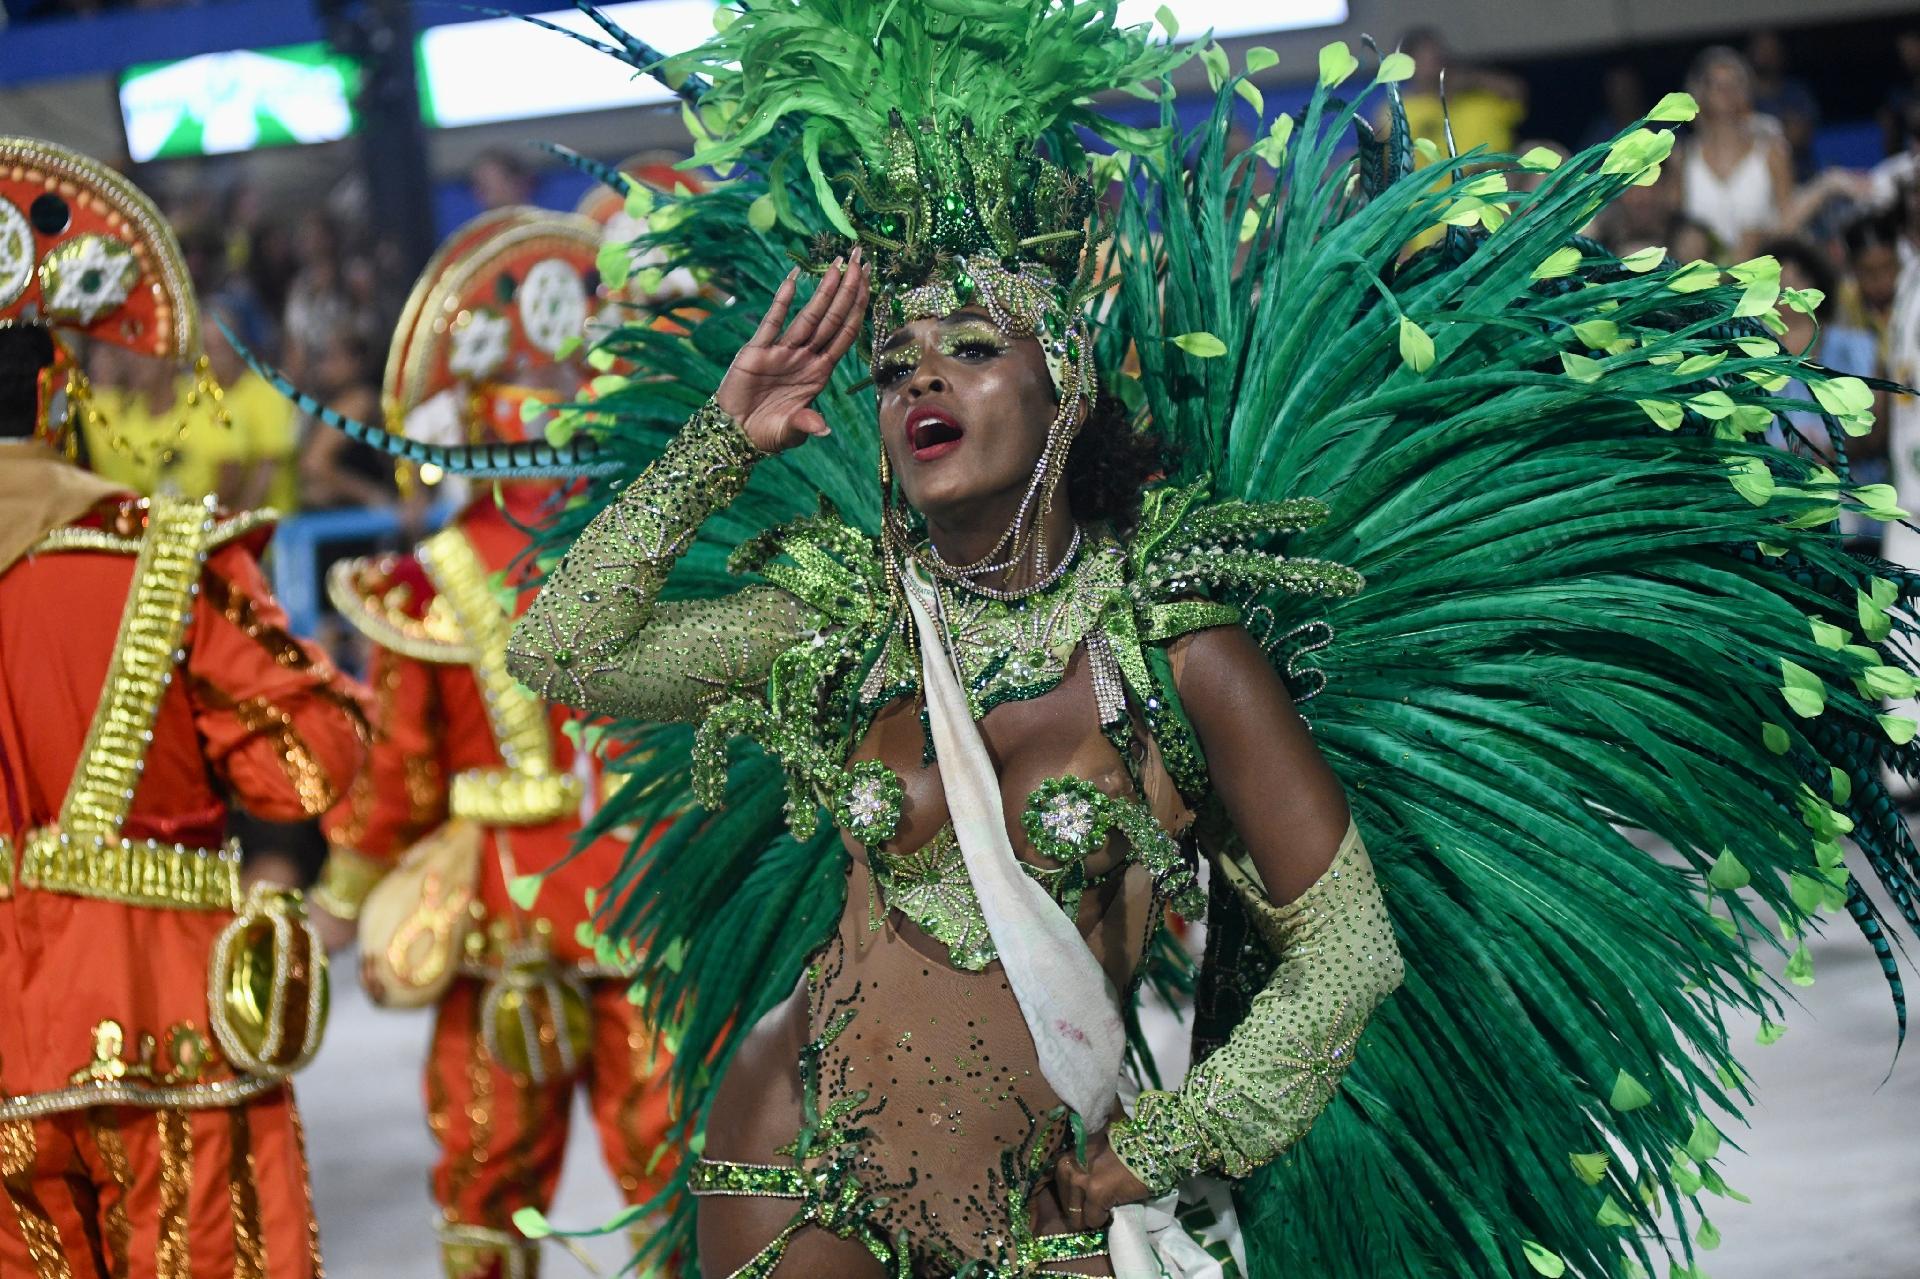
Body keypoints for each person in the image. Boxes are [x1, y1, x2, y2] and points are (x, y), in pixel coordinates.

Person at [300, 7, 1920, 1277]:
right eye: (894, 362)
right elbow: (571, 650)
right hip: (789, 1143)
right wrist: (722, 438)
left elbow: (1346, 948)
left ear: (1062, 382)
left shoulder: (1176, 647)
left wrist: (1169, 1144)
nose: (920, 377)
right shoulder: (851, 619)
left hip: (1057, 1186)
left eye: (974, 344)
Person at [0, 135, 367, 1278]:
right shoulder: (163, 553)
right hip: (169, 1014)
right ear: (59, 386)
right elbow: (310, 756)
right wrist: (271, 883)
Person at [311, 208, 675, 1278]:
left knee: (485, 1178)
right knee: (671, 1179)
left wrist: (347, 888)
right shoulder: (660, 543)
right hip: (645, 900)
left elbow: (401, 769)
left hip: (503, 918)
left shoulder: (436, 579)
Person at [1679, 46, 1792, 259]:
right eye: (1717, 85)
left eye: (1734, 84)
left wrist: (1760, 239)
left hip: (1762, 272)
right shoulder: (1683, 158)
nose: (1726, 93)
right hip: (1701, 281)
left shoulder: (1771, 153)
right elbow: (1674, 228)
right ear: (1700, 93)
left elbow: (1789, 221)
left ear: (1747, 91)